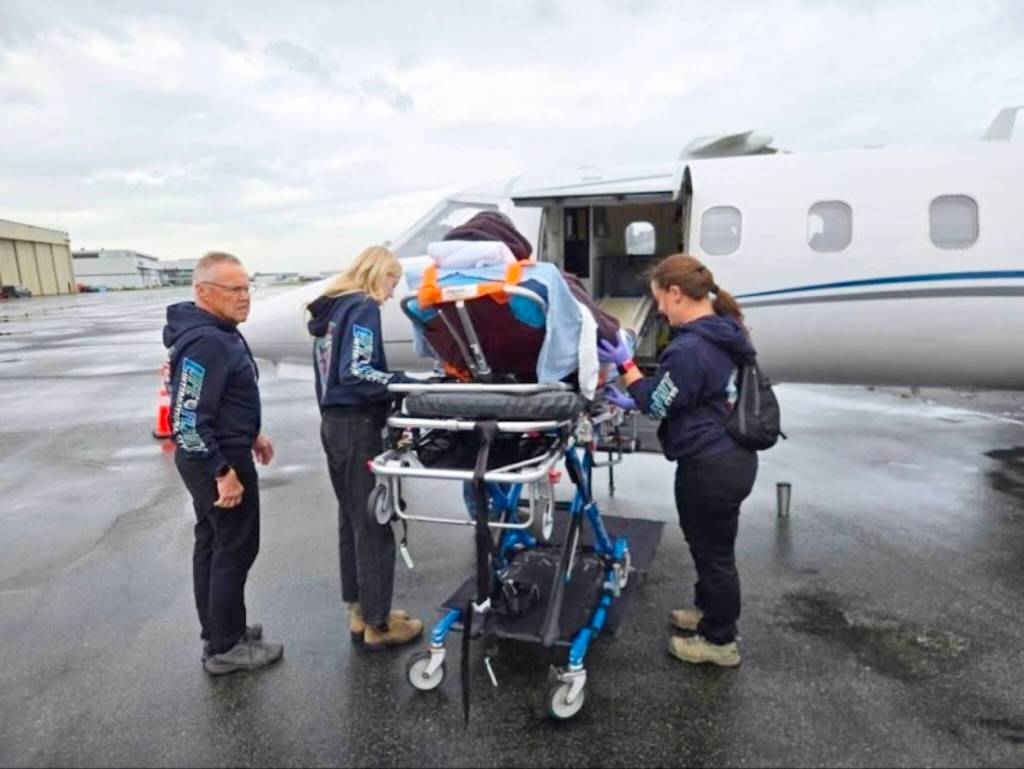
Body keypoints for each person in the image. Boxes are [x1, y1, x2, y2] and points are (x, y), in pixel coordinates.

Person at [598, 253, 759, 668]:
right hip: (729, 457)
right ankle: (707, 612)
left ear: (675, 293)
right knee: (709, 546)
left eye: (659, 301)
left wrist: (626, 367)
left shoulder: (692, 347)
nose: (660, 311)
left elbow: (657, 402)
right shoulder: (725, 332)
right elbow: (683, 394)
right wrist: (634, 395)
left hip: (711, 465)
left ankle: (720, 641)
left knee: (714, 554)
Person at [164, 251, 284, 675]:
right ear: (203, 292)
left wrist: (250, 433)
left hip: (222, 449)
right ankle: (225, 647)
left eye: (247, 287)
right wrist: (221, 472)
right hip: (214, 459)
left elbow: (222, 400)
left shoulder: (221, 331)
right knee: (233, 548)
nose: (245, 297)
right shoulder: (207, 341)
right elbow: (187, 419)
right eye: (234, 289)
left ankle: (222, 629)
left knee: (215, 546)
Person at [307, 246, 424, 651]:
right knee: (374, 523)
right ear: (378, 274)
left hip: (333, 425)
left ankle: (360, 611)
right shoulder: (361, 306)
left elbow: (333, 375)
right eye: (392, 282)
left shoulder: (331, 313)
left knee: (352, 520)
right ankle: (379, 624)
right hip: (356, 426)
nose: (391, 294)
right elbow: (356, 372)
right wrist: (405, 382)